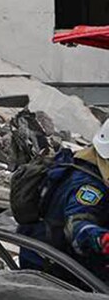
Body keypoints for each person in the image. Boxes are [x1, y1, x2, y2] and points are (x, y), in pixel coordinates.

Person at [19, 118, 109, 284]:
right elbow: (77, 225)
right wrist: (102, 239)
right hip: (57, 271)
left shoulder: (90, 165)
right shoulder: (89, 186)